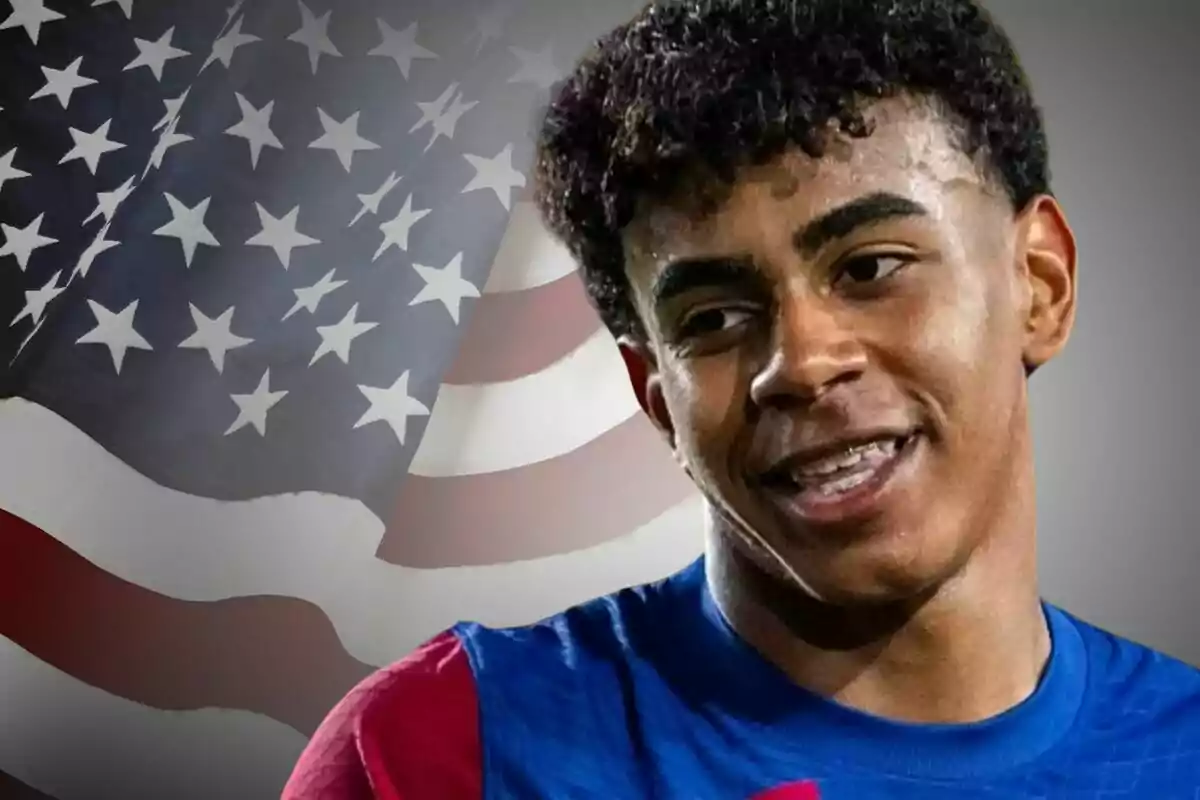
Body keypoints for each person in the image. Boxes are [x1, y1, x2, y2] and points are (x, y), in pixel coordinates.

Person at [283, 0, 1200, 797]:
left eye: (871, 266)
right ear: (655, 398)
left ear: (1039, 283)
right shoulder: (439, 752)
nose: (799, 362)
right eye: (715, 317)